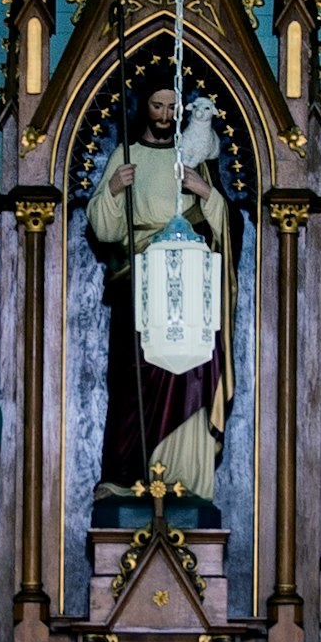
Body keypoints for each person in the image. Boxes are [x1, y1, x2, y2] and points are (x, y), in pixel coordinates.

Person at [87, 75, 233, 514]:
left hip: (187, 285)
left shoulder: (193, 155)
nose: (166, 116)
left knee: (189, 373)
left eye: (173, 107)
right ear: (143, 108)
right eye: (158, 106)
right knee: (133, 380)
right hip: (140, 278)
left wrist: (204, 191)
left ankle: (180, 474)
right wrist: (114, 190)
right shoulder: (125, 156)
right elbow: (104, 228)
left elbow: (227, 226)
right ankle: (125, 476)